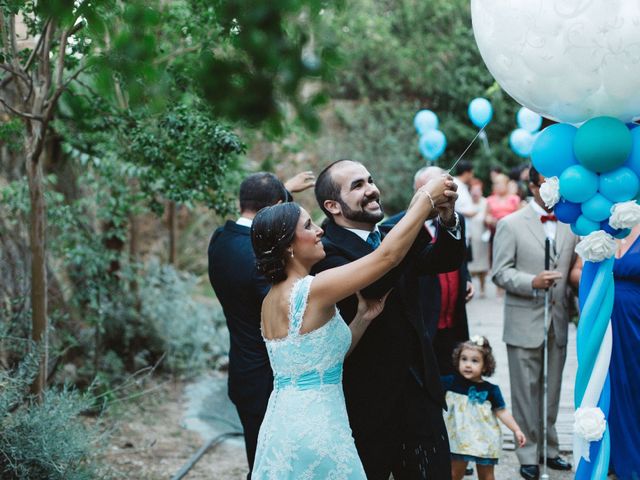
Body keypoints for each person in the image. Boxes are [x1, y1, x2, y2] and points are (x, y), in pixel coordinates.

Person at [250, 173, 457, 479]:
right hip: (318, 426)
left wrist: (361, 319)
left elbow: (320, 358)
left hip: (283, 422)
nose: (319, 231)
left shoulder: (272, 299)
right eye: (308, 226)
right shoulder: (314, 290)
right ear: (288, 246)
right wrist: (424, 199)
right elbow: (387, 257)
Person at [311, 159, 466, 480]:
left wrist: (447, 219)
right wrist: (420, 209)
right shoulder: (327, 252)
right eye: (357, 186)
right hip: (367, 400)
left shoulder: (387, 236)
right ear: (332, 206)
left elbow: (444, 260)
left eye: (370, 180)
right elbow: (375, 284)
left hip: (420, 388)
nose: (372, 190)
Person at [207, 170, 315, 475]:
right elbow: (289, 310)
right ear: (276, 205)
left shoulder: (220, 239)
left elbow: (261, 216)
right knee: (273, 466)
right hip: (267, 378)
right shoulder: (260, 255)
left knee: (259, 461)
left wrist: (284, 192)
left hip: (243, 370)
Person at [491, 166, 578, 480]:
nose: (553, 190)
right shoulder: (510, 225)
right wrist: (532, 281)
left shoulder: (571, 224)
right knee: (525, 391)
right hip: (522, 319)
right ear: (531, 187)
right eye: (547, 184)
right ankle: (527, 453)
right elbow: (499, 272)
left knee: (552, 389)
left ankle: (550, 450)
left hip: (557, 320)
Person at [386, 166, 473, 375]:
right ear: (417, 192)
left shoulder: (456, 219)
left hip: (454, 322)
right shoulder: (395, 226)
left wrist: (466, 278)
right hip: (424, 324)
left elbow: (459, 256)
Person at [443, 336, 526, 480]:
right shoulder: (450, 382)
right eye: (464, 359)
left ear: (485, 365)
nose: (468, 365)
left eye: (474, 361)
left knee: (487, 476)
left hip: (484, 438)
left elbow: (502, 411)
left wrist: (516, 430)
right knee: (454, 474)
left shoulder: (491, 390)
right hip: (458, 438)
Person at [609, 223, 640, 479]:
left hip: (636, 318)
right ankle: (617, 458)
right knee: (614, 384)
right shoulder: (602, 224)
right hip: (605, 320)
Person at [467, 179, 490, 297]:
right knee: (469, 265)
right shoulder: (466, 202)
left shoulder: (485, 202)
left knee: (482, 265)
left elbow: (488, 218)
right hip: (469, 238)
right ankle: (469, 289)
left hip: (481, 237)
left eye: (477, 190)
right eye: (473, 190)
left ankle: (482, 288)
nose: (475, 193)